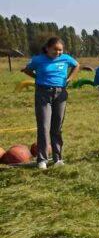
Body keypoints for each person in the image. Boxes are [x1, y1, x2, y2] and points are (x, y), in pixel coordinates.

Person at [23, 36, 79, 169]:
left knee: (57, 127)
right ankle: (42, 160)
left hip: (60, 93)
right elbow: (27, 69)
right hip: (43, 93)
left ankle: (57, 158)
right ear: (47, 48)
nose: (58, 52)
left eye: (60, 50)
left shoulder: (66, 58)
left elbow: (77, 65)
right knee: (44, 126)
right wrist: (37, 77)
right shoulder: (38, 59)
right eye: (55, 49)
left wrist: (69, 79)